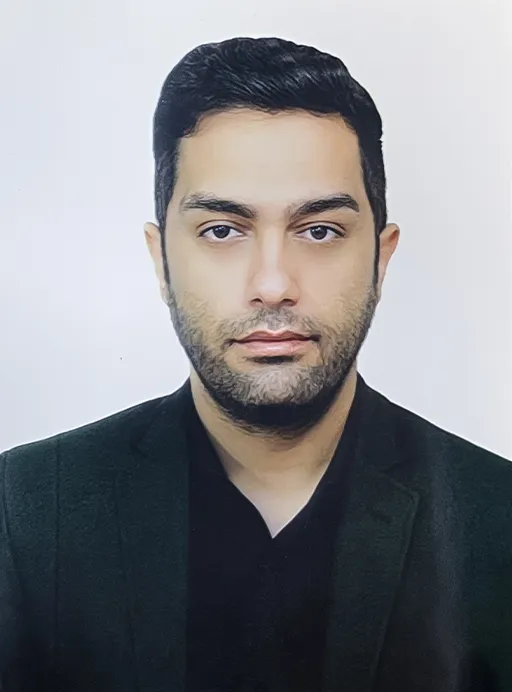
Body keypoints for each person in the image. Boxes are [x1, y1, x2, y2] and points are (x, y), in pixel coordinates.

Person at [1, 35, 511, 692]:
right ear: (161, 259)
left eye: (320, 230)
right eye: (222, 230)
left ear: (381, 258)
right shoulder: (24, 515)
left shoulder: (498, 523)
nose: (272, 284)